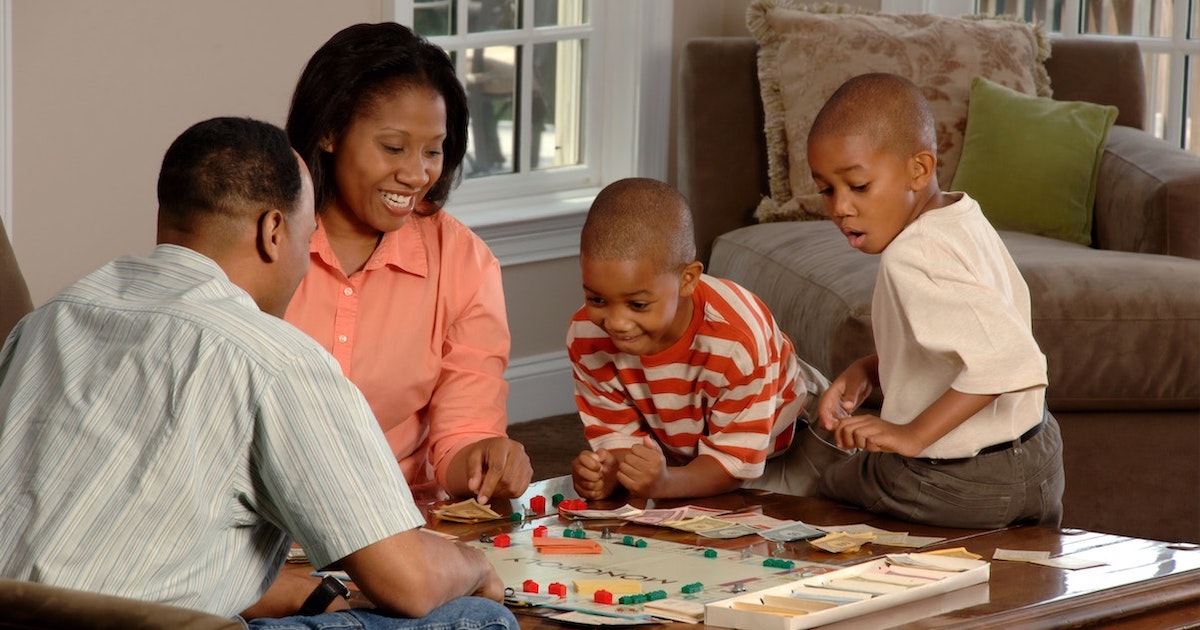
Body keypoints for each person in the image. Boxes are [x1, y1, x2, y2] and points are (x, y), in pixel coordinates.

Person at [0, 117, 516, 630]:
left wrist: (311, 595)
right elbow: (410, 583)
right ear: (273, 231)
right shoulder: (277, 359)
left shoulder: (48, 322)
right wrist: (476, 566)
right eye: (307, 233)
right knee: (478, 617)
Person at [284, 22, 531, 505]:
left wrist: (485, 460)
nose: (417, 174)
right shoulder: (264, 240)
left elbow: (463, 432)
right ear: (330, 131)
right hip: (270, 522)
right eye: (393, 147)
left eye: (433, 151)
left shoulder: (464, 261)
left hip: (398, 517)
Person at [807, 73, 1065, 529]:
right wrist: (871, 368)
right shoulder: (962, 215)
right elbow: (978, 336)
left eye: (858, 186)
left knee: (827, 485)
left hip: (960, 479)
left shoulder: (912, 254)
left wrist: (910, 435)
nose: (840, 208)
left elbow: (1010, 362)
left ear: (918, 170)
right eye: (827, 189)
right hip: (1039, 458)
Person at [567, 177, 844, 501]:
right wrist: (609, 472)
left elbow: (732, 464)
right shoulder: (587, 336)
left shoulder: (736, 339)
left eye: (638, 304)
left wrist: (666, 483)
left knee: (781, 518)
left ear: (688, 280)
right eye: (596, 300)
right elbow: (620, 444)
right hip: (692, 449)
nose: (615, 322)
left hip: (792, 439)